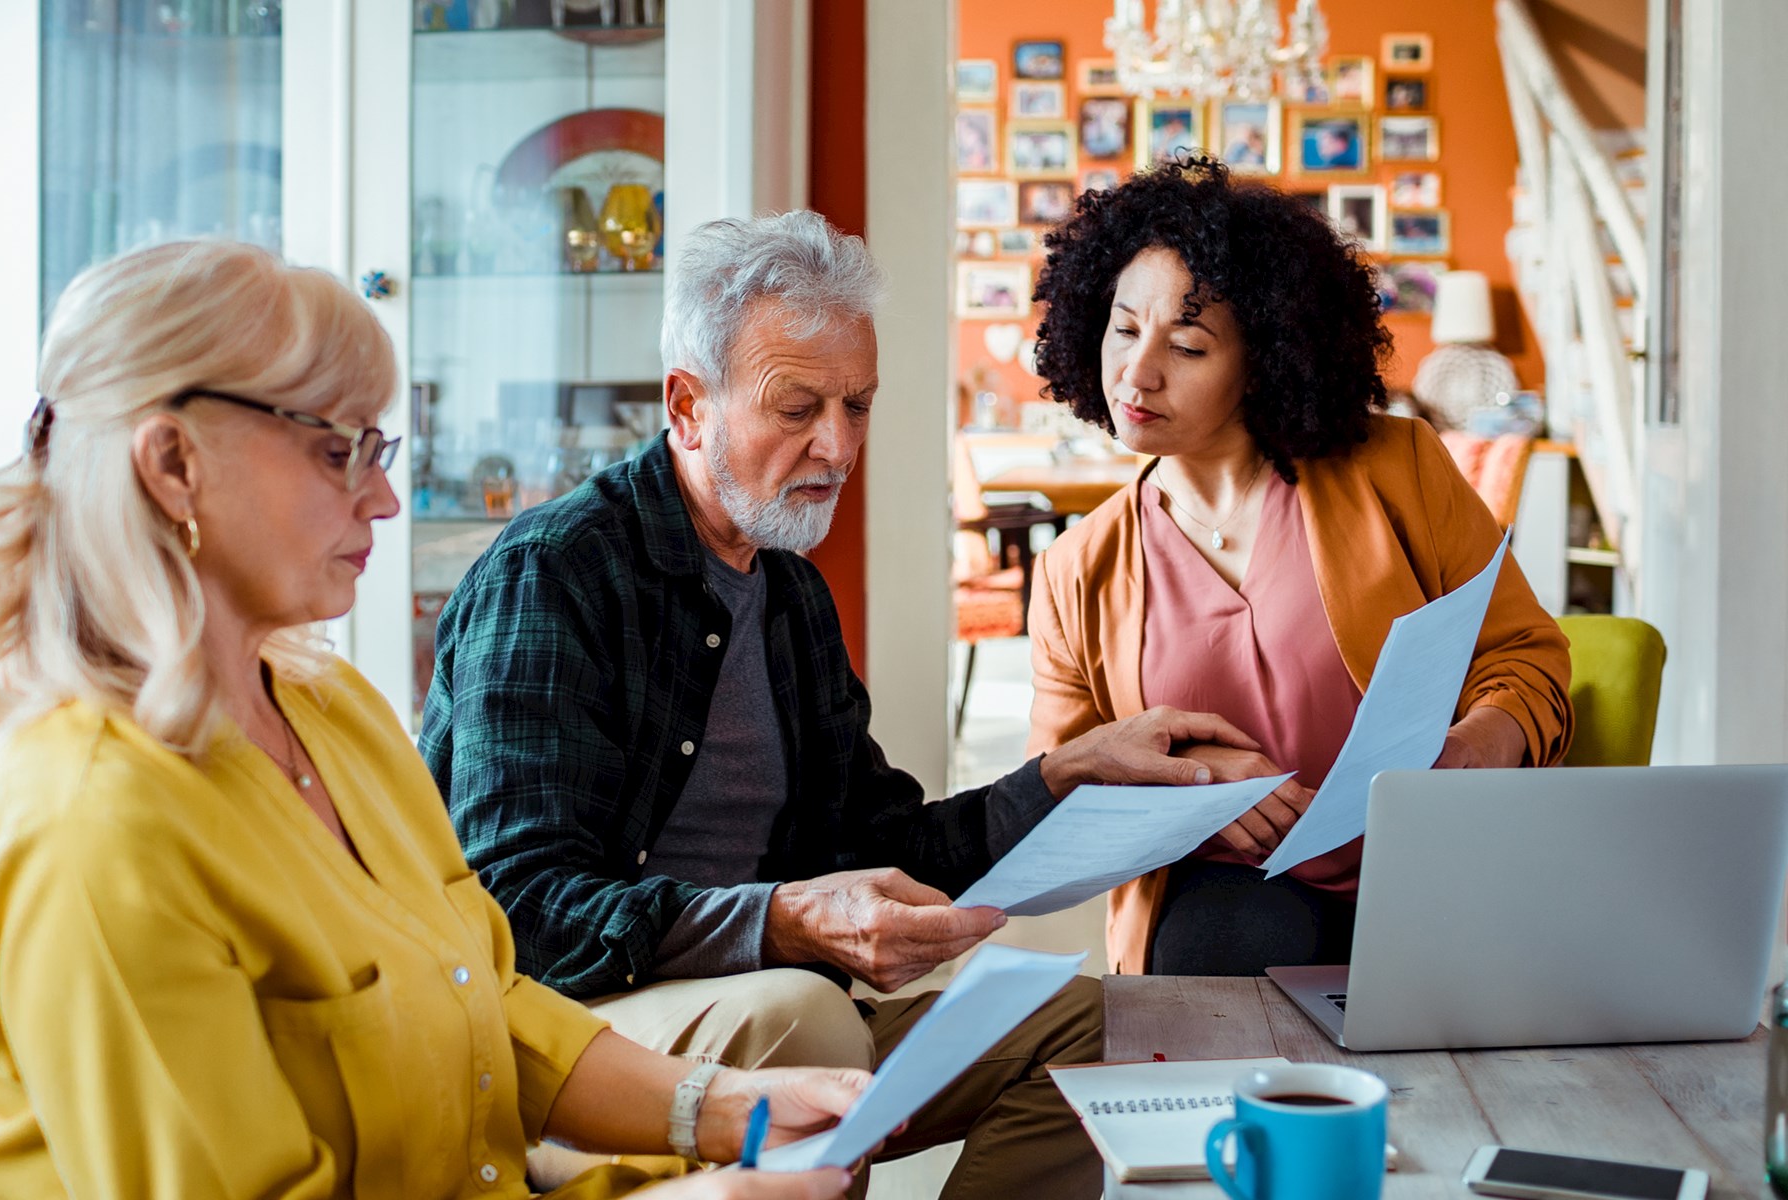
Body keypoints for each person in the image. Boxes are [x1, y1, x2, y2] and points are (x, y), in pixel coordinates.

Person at [0, 240, 869, 1200]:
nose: (384, 496)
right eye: (340, 452)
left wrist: (721, 1109)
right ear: (173, 465)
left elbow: (485, 1003)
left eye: (382, 450)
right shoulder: (92, 830)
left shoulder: (333, 715)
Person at [423, 211, 1255, 1200]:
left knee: (1113, 1032)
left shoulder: (787, 590)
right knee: (803, 1013)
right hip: (575, 1038)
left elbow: (880, 837)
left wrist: (1068, 774)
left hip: (768, 1008)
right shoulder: (553, 575)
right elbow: (518, 909)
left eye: (856, 405)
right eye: (795, 407)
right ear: (686, 406)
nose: (835, 444)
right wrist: (780, 922)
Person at [1026, 157, 1574, 978]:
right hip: (1232, 897)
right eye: (1123, 327)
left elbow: (1523, 656)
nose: (1137, 373)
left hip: (1427, 864)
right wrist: (1191, 794)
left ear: (1266, 359)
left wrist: (1478, 744)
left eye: (1187, 343)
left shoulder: (1401, 468)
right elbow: (1061, 804)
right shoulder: (1077, 569)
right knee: (1224, 945)